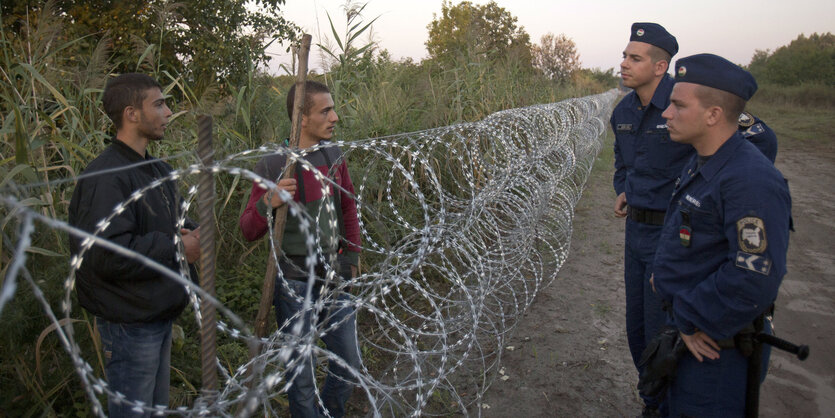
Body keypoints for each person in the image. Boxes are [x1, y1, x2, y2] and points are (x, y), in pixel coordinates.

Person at [652, 54, 792, 417]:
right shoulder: (706, 160)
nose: (666, 113)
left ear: (713, 114)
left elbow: (753, 276)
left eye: (679, 105)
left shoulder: (749, 180)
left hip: (715, 349)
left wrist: (686, 313)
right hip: (693, 333)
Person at [68, 73, 200, 417]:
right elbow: (107, 254)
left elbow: (179, 221)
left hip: (157, 314)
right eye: (158, 104)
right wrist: (178, 248)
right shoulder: (107, 176)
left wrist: (197, 234)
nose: (168, 112)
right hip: (129, 325)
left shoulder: (157, 170)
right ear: (131, 113)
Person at [239, 80, 362, 417]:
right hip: (294, 281)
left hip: (334, 276)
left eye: (333, 108)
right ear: (301, 119)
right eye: (326, 110)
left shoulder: (333, 155)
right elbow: (248, 229)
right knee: (302, 377)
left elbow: (348, 205)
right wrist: (270, 200)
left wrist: (351, 256)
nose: (335, 116)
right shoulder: (274, 164)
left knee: (348, 363)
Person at [611, 22, 691, 417]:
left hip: (673, 234)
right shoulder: (624, 110)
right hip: (636, 232)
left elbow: (752, 137)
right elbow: (622, 161)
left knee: (667, 326)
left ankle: (667, 405)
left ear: (660, 67)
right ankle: (651, 401)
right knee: (637, 326)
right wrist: (623, 188)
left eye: (634, 58)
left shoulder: (684, 102)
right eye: (625, 55)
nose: (623, 63)